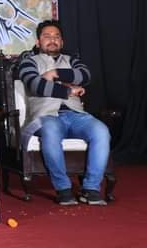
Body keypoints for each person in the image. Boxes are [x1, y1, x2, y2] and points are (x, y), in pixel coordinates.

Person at [18, 19, 110, 206]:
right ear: (38, 42)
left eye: (56, 36)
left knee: (101, 131)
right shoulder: (28, 62)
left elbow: (85, 76)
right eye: (47, 36)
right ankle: (63, 189)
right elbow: (35, 85)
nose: (52, 40)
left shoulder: (72, 60)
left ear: (62, 42)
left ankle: (91, 188)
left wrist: (54, 74)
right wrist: (68, 90)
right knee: (51, 131)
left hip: (76, 115)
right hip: (47, 116)